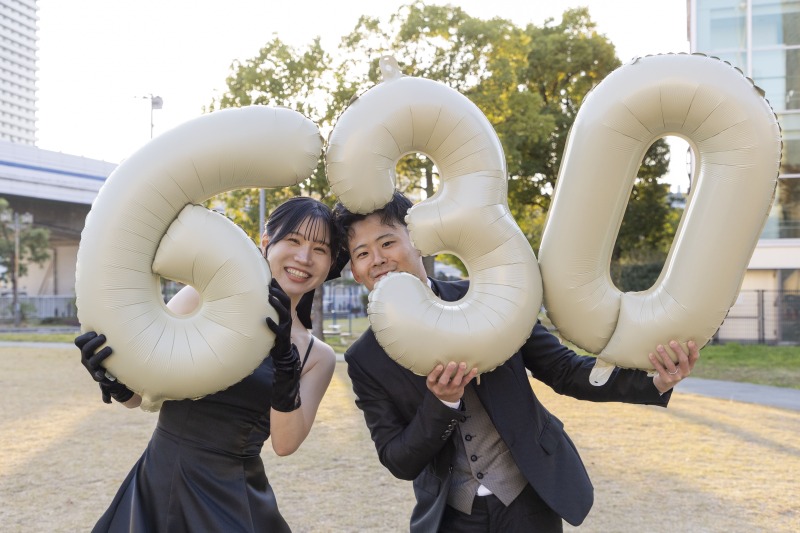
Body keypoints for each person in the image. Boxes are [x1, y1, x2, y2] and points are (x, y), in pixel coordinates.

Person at [333, 192, 700, 533]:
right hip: (451, 516)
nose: (378, 260)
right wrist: (441, 402)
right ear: (354, 267)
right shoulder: (364, 359)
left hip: (530, 497)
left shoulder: (487, 296)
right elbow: (398, 459)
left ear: (416, 240)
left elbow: (564, 370)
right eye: (362, 253)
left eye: (387, 242)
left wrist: (653, 381)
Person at [76, 196, 342, 532]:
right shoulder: (203, 297)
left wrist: (285, 362)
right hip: (160, 479)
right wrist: (112, 380)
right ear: (265, 242)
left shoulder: (317, 356)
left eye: (320, 249)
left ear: (331, 261)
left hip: (232, 494)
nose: (304, 257)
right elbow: (142, 397)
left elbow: (285, 444)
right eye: (293, 240)